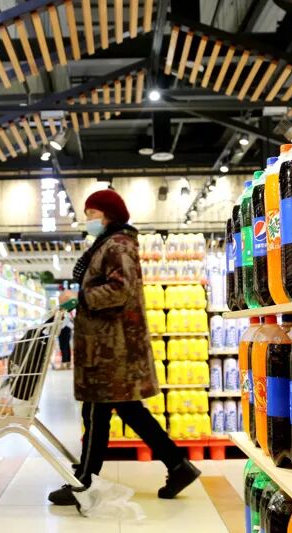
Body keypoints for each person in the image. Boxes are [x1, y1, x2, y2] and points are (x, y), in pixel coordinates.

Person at [48, 189, 200, 506]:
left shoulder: (117, 245)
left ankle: (83, 483)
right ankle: (178, 465)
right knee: (127, 411)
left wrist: (80, 298)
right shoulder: (110, 243)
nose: (87, 220)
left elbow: (120, 288)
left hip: (111, 347)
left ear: (108, 215)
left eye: (91, 214)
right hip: (108, 344)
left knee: (96, 411)